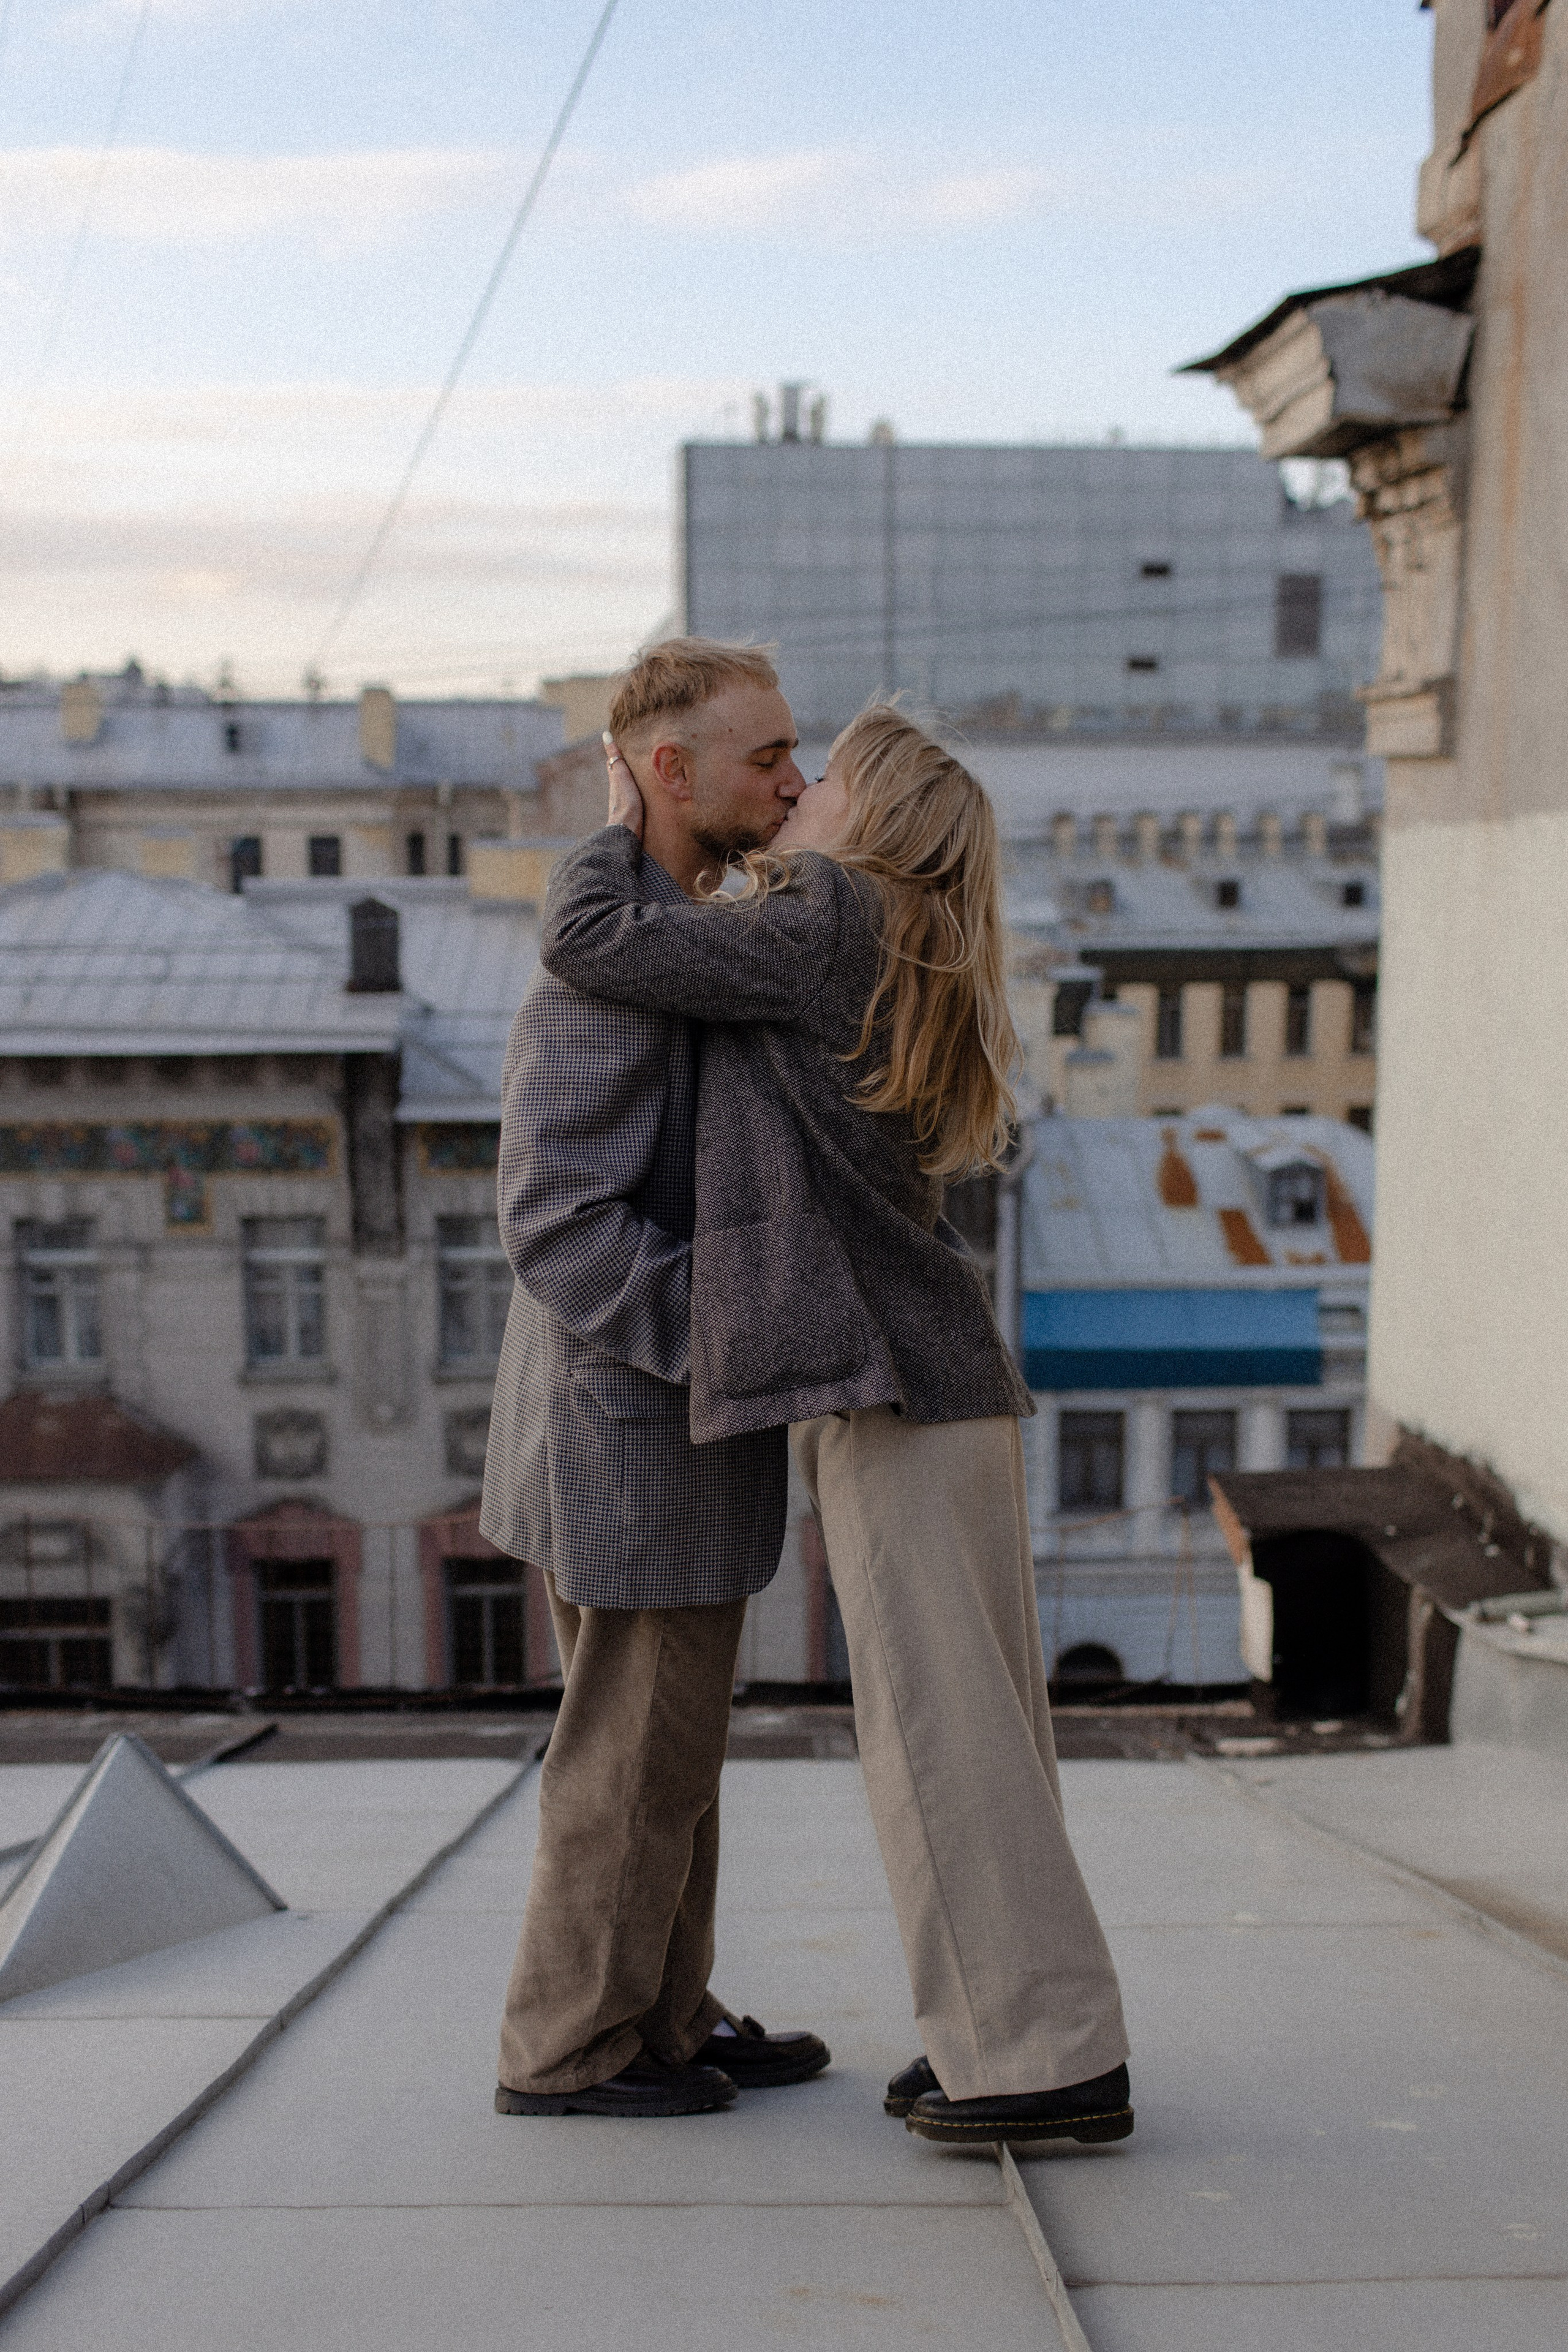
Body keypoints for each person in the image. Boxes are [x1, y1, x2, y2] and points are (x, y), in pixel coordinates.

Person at [538, 696, 1133, 2147]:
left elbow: (590, 944)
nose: (796, 791)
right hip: (947, 1389)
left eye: (826, 779)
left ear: (867, 819)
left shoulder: (819, 914)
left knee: (938, 1741)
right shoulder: (902, 937)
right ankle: (1025, 2032)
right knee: (988, 1734)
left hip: (890, 1395)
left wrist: (619, 823)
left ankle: (1036, 2065)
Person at [481, 639, 829, 2119]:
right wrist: (736, 1338)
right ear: (670, 770)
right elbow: (553, 1217)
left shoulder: (664, 930)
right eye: (767, 759)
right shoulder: (606, 967)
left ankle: (666, 2018)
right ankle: (569, 2050)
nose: (794, 780)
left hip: (653, 1431)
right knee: (627, 1762)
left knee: (669, 1748)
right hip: (633, 1432)